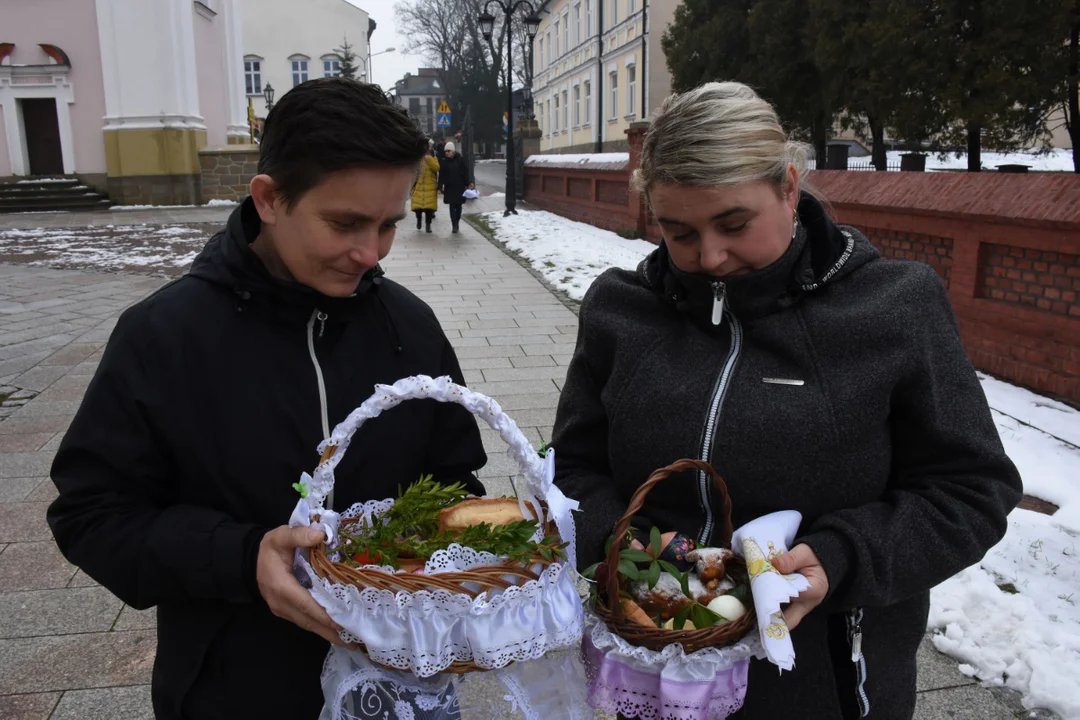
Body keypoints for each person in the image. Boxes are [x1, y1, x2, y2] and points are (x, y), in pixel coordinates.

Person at [552, 81, 1022, 719]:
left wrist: (842, 557)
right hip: (656, 667)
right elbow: (572, 467)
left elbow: (972, 490)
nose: (710, 258)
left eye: (734, 224)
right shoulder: (619, 309)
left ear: (789, 188)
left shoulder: (894, 307)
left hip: (823, 678)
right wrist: (620, 551)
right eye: (678, 231)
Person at [46, 78, 487, 719]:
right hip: (233, 690)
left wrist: (451, 559)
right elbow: (90, 517)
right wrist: (242, 556)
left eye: (388, 224)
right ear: (270, 198)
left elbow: (454, 480)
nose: (371, 252)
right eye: (345, 223)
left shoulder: (409, 327)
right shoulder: (165, 336)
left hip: (400, 689)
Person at [438, 141, 474, 233]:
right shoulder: (444, 161)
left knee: (458, 206)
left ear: (453, 151)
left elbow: (465, 172)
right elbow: (441, 175)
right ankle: (454, 224)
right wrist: (439, 187)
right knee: (451, 206)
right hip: (449, 187)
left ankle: (457, 221)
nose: (447, 153)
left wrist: (468, 182)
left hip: (459, 186)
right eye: (446, 151)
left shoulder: (460, 159)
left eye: (448, 151)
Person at [412, 140, 440, 233]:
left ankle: (428, 225)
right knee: (418, 208)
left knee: (429, 208)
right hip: (419, 186)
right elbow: (413, 170)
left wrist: (429, 159)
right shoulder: (418, 159)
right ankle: (418, 220)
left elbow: (436, 168)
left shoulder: (432, 157)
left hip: (430, 186)